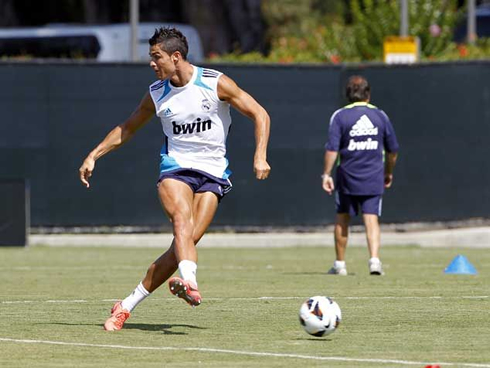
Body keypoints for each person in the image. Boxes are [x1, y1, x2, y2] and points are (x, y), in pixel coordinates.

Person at [78, 27, 271, 331]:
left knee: (184, 245)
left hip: (213, 172)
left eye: (157, 57)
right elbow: (127, 128)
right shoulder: (157, 93)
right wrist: (94, 154)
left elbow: (260, 113)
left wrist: (260, 155)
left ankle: (126, 305)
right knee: (182, 220)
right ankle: (190, 282)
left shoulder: (214, 82)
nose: (152, 64)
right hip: (176, 167)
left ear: (176, 56)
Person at [322, 75, 399, 276]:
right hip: (373, 176)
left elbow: (332, 149)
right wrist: (388, 172)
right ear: (368, 94)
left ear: (348, 94)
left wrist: (326, 174)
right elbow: (393, 151)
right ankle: (374, 261)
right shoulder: (380, 116)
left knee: (342, 218)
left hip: (347, 177)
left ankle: (340, 264)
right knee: (371, 218)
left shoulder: (340, 116)